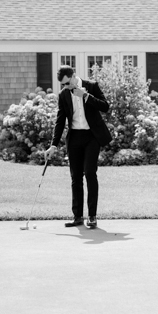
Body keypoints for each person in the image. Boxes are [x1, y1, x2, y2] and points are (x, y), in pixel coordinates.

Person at [46, 65, 112, 229]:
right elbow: (60, 121)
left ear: (74, 76)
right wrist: (53, 145)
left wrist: (86, 96)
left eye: (67, 83)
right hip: (74, 137)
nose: (65, 87)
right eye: (63, 85)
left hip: (92, 137)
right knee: (76, 177)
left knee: (90, 173)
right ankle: (77, 217)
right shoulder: (63, 95)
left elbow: (105, 106)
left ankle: (92, 216)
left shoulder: (91, 86)